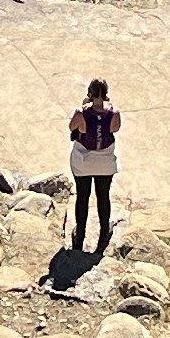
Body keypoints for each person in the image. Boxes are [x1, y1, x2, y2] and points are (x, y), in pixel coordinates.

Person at [67, 78, 122, 253]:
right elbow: (114, 130)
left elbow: (71, 127)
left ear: (89, 94)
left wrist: (84, 107)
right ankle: (104, 233)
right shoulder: (114, 114)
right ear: (106, 94)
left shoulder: (81, 113)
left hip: (83, 162)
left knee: (82, 197)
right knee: (103, 196)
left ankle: (80, 235)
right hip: (104, 162)